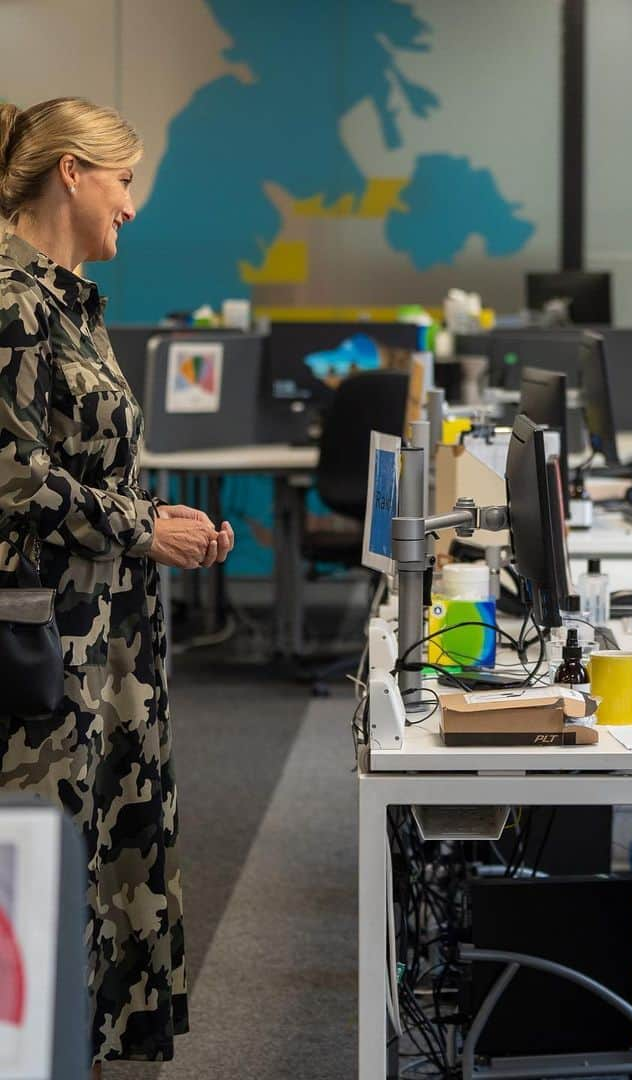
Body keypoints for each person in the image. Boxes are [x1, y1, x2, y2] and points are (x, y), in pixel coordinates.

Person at [0, 98, 234, 1070]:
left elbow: (86, 470)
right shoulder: (10, 306)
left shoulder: (68, 300)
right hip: (47, 648)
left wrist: (161, 528)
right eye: (122, 179)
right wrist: (145, 527)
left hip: (107, 641)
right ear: (69, 172)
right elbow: (12, 476)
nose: (131, 203)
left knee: (95, 867)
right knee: (41, 879)